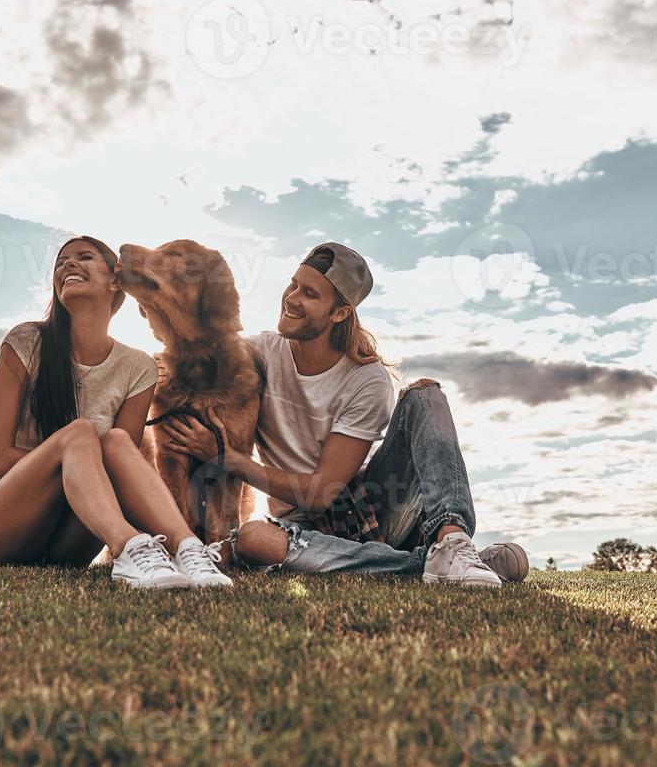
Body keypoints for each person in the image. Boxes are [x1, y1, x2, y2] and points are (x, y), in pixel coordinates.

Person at [162, 241, 525, 588]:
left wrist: (230, 461)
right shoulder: (261, 352)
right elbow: (204, 351)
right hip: (304, 529)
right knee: (254, 539)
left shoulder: (366, 379)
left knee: (425, 395)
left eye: (309, 294)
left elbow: (322, 493)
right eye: (293, 285)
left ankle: (452, 541)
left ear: (339, 313)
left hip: (374, 509)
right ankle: (424, 564)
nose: (291, 299)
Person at [0, 235, 230, 589]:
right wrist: (53, 466)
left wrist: (77, 470)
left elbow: (120, 464)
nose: (68, 265)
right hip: (0, 533)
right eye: (61, 262)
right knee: (81, 436)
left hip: (70, 538)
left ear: (115, 280)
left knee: (116, 442)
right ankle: (130, 548)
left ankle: (188, 548)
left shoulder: (138, 367)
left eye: (84, 257)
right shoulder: (27, 341)